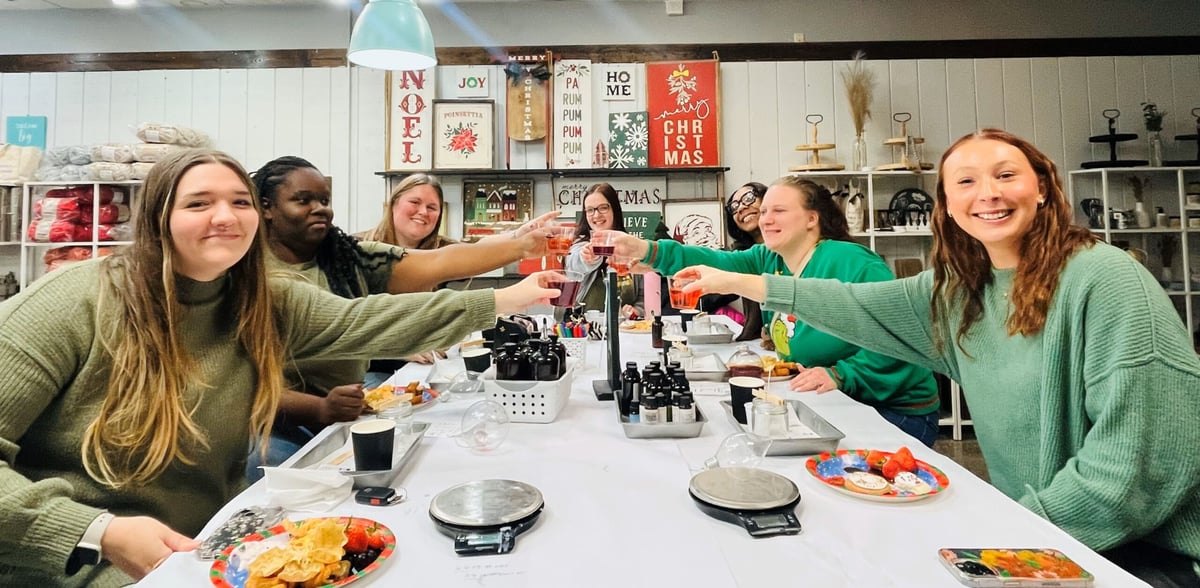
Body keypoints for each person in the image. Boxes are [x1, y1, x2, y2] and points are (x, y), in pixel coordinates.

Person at [0, 149, 558, 586]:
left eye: (238, 202)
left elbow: (364, 321)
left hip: (203, 551)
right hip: (76, 565)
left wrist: (505, 299)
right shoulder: (73, 301)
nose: (225, 217)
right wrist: (98, 531)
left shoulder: (260, 299)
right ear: (157, 217)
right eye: (198, 204)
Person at [678, 129, 1200, 587]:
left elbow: (1137, 466)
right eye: (965, 182)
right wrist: (739, 282)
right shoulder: (961, 290)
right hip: (1042, 540)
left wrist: (1009, 536)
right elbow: (857, 305)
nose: (988, 193)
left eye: (1006, 175)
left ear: (1042, 187)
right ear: (947, 206)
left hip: (1138, 559)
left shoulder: (1106, 279)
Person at [251, 156, 557, 476]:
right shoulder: (263, 281)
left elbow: (440, 261)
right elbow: (363, 322)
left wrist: (520, 244)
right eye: (303, 200)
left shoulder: (344, 257)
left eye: (325, 200)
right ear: (267, 208)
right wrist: (503, 298)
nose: (320, 209)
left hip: (344, 410)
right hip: (282, 424)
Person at [598, 176, 941, 446]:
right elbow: (714, 260)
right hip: (831, 401)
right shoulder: (770, 258)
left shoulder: (851, 261)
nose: (766, 219)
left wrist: (841, 374)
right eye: (764, 212)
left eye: (778, 211)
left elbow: (900, 336)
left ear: (812, 218)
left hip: (892, 411)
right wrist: (646, 249)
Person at [565, 182, 643, 319]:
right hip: (586, 325)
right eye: (590, 210)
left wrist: (637, 310)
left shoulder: (631, 246)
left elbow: (644, 295)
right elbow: (573, 264)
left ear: (614, 209)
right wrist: (588, 257)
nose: (596, 215)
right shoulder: (579, 245)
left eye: (603, 208)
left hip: (625, 327)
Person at [700, 182, 766, 342]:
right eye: (734, 207)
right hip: (760, 340)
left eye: (749, 198)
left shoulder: (790, 249)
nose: (741, 208)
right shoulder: (741, 255)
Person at [357, 172, 456, 249]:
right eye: (415, 202)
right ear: (394, 204)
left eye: (431, 207)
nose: (423, 212)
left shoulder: (453, 254)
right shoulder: (356, 247)